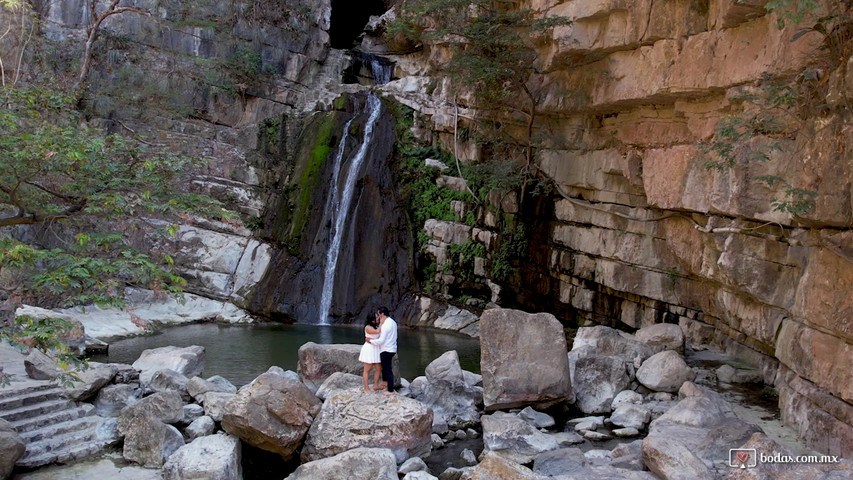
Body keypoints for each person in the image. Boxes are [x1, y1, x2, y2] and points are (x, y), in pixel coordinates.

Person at [367, 306, 397, 396]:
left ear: (382, 314)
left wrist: (370, 341)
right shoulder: (393, 322)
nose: (378, 316)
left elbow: (381, 340)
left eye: (379, 314)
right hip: (392, 348)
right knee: (385, 367)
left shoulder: (385, 325)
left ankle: (390, 390)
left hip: (386, 349)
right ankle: (385, 382)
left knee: (388, 370)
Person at [358, 314, 382, 393]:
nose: (378, 318)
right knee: (367, 370)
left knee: (379, 368)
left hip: (376, 348)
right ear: (372, 320)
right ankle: (366, 388)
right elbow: (377, 332)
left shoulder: (376, 326)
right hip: (369, 349)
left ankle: (376, 385)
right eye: (376, 317)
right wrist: (382, 322)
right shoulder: (368, 327)